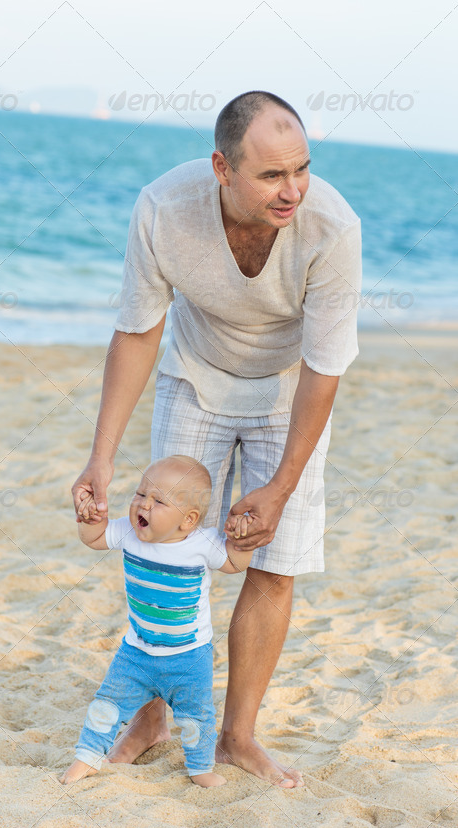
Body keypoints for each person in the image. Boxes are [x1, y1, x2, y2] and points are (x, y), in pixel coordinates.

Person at [72, 90, 362, 788]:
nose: (293, 189)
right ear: (221, 169)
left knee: (274, 563)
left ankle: (235, 734)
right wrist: (101, 456)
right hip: (194, 376)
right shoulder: (164, 209)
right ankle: (149, 716)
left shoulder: (333, 227)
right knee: (160, 542)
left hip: (289, 391)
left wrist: (280, 486)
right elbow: (139, 330)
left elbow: (326, 368)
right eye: (271, 175)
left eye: (302, 169)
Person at [61, 455, 253, 787]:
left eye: (158, 500)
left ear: (188, 520)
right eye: (140, 494)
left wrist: (241, 540)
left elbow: (234, 563)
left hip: (190, 658)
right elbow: (93, 539)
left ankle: (200, 768)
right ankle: (87, 758)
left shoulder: (202, 544)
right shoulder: (126, 531)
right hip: (135, 654)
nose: (143, 505)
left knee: (197, 717)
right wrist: (88, 516)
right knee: (107, 705)